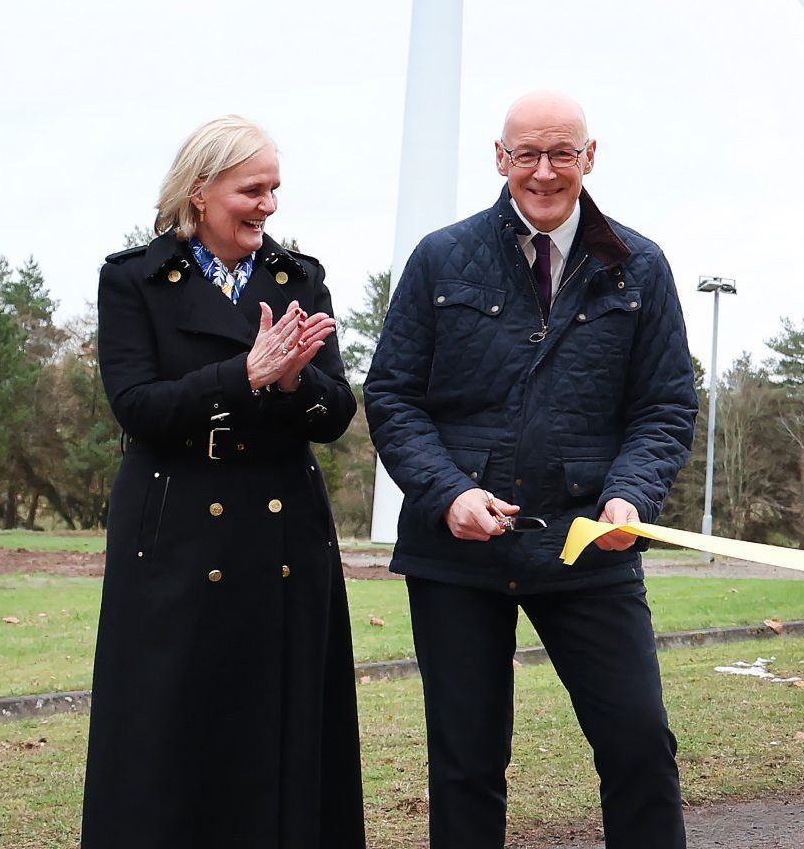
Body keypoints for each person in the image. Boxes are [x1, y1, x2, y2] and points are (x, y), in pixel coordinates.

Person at [364, 90, 699, 848]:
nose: (543, 173)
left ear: (590, 157)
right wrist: (448, 493)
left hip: (588, 546)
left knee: (639, 745)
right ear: (499, 158)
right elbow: (390, 397)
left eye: (561, 154)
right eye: (527, 155)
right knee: (465, 764)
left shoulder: (640, 266)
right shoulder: (440, 258)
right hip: (457, 553)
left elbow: (665, 408)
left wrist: (630, 496)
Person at [82, 115, 365, 848]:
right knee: (167, 732)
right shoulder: (132, 280)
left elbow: (335, 415)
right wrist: (244, 374)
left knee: (282, 729)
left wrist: (298, 377)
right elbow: (136, 407)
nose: (269, 205)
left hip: (282, 542)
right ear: (200, 192)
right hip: (173, 540)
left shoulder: (299, 277)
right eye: (253, 189)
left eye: (274, 189)